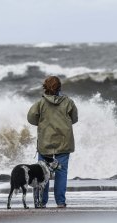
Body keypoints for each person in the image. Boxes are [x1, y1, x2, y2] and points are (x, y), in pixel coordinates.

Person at [27, 76, 78, 208]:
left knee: (43, 173)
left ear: (45, 87)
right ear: (59, 87)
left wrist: (42, 121)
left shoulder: (40, 103)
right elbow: (75, 118)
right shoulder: (68, 102)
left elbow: (31, 119)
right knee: (61, 172)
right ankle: (60, 202)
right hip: (64, 142)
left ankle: (42, 202)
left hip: (45, 142)